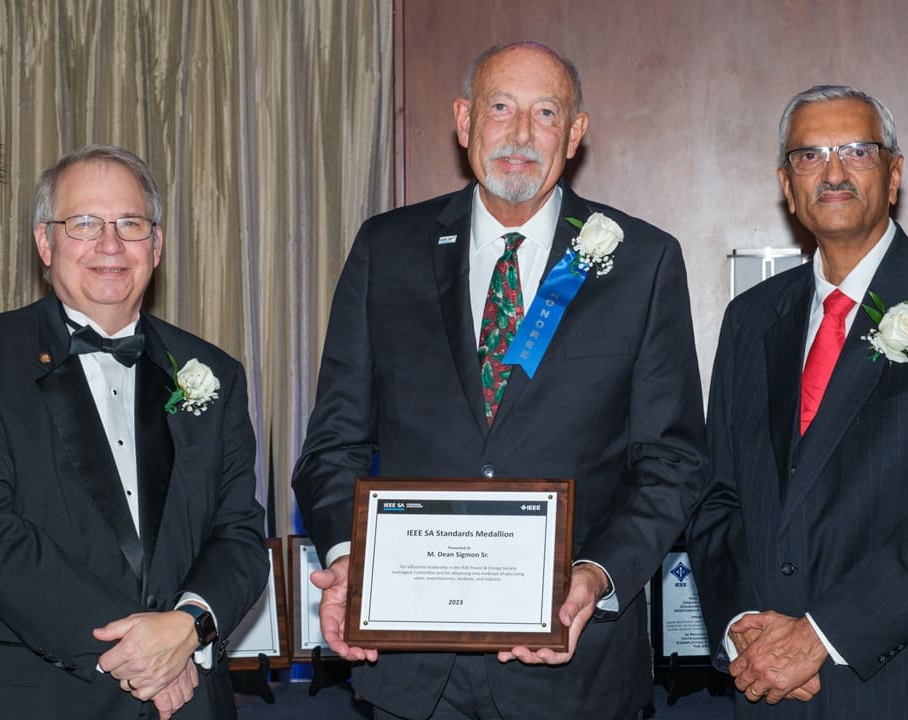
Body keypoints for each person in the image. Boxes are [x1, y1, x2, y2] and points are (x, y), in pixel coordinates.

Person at [292, 41, 707, 720]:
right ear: (464, 121)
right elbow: (333, 444)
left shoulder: (644, 262)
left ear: (574, 132)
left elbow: (673, 461)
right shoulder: (386, 249)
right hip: (410, 668)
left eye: (545, 113)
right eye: (500, 108)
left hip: (576, 669)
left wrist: (597, 575)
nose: (520, 135)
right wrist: (349, 559)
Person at [688, 85, 908, 719]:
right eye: (809, 156)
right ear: (787, 187)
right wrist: (742, 627)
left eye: (857, 152)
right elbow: (718, 496)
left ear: (894, 175)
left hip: (904, 689)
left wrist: (817, 637)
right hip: (766, 686)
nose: (834, 172)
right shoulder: (750, 319)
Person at [0, 145, 268, 720]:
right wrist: (143, 653)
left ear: (156, 245)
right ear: (45, 243)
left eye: (130, 224)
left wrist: (189, 626)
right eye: (83, 223)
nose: (110, 244)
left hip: (186, 701)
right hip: (28, 699)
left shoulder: (214, 372)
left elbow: (239, 536)